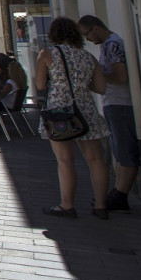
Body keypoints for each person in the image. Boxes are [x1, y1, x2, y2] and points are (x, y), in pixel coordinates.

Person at [36, 16, 110, 219]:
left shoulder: (47, 54)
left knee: (65, 160)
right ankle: (101, 206)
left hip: (59, 112)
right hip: (85, 110)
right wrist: (81, 86)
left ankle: (67, 205)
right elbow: (101, 88)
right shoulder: (88, 57)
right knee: (95, 159)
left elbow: (41, 85)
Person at [79, 15, 139, 212]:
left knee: (124, 150)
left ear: (96, 28)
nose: (88, 39)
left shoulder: (113, 44)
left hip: (121, 103)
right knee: (119, 151)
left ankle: (121, 194)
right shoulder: (108, 45)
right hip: (114, 103)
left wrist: (96, 77)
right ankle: (118, 192)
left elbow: (120, 76)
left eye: (87, 34)